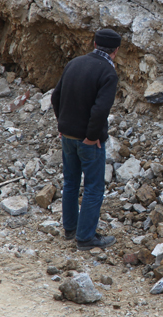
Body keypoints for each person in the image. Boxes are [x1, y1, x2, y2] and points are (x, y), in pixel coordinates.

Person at [51, 28, 121, 250]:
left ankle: (70, 229)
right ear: (116, 51)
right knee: (93, 188)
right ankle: (86, 238)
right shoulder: (108, 73)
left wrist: (62, 125)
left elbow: (56, 96)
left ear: (94, 44)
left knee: (70, 182)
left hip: (67, 135)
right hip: (88, 141)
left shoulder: (75, 63)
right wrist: (92, 137)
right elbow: (100, 111)